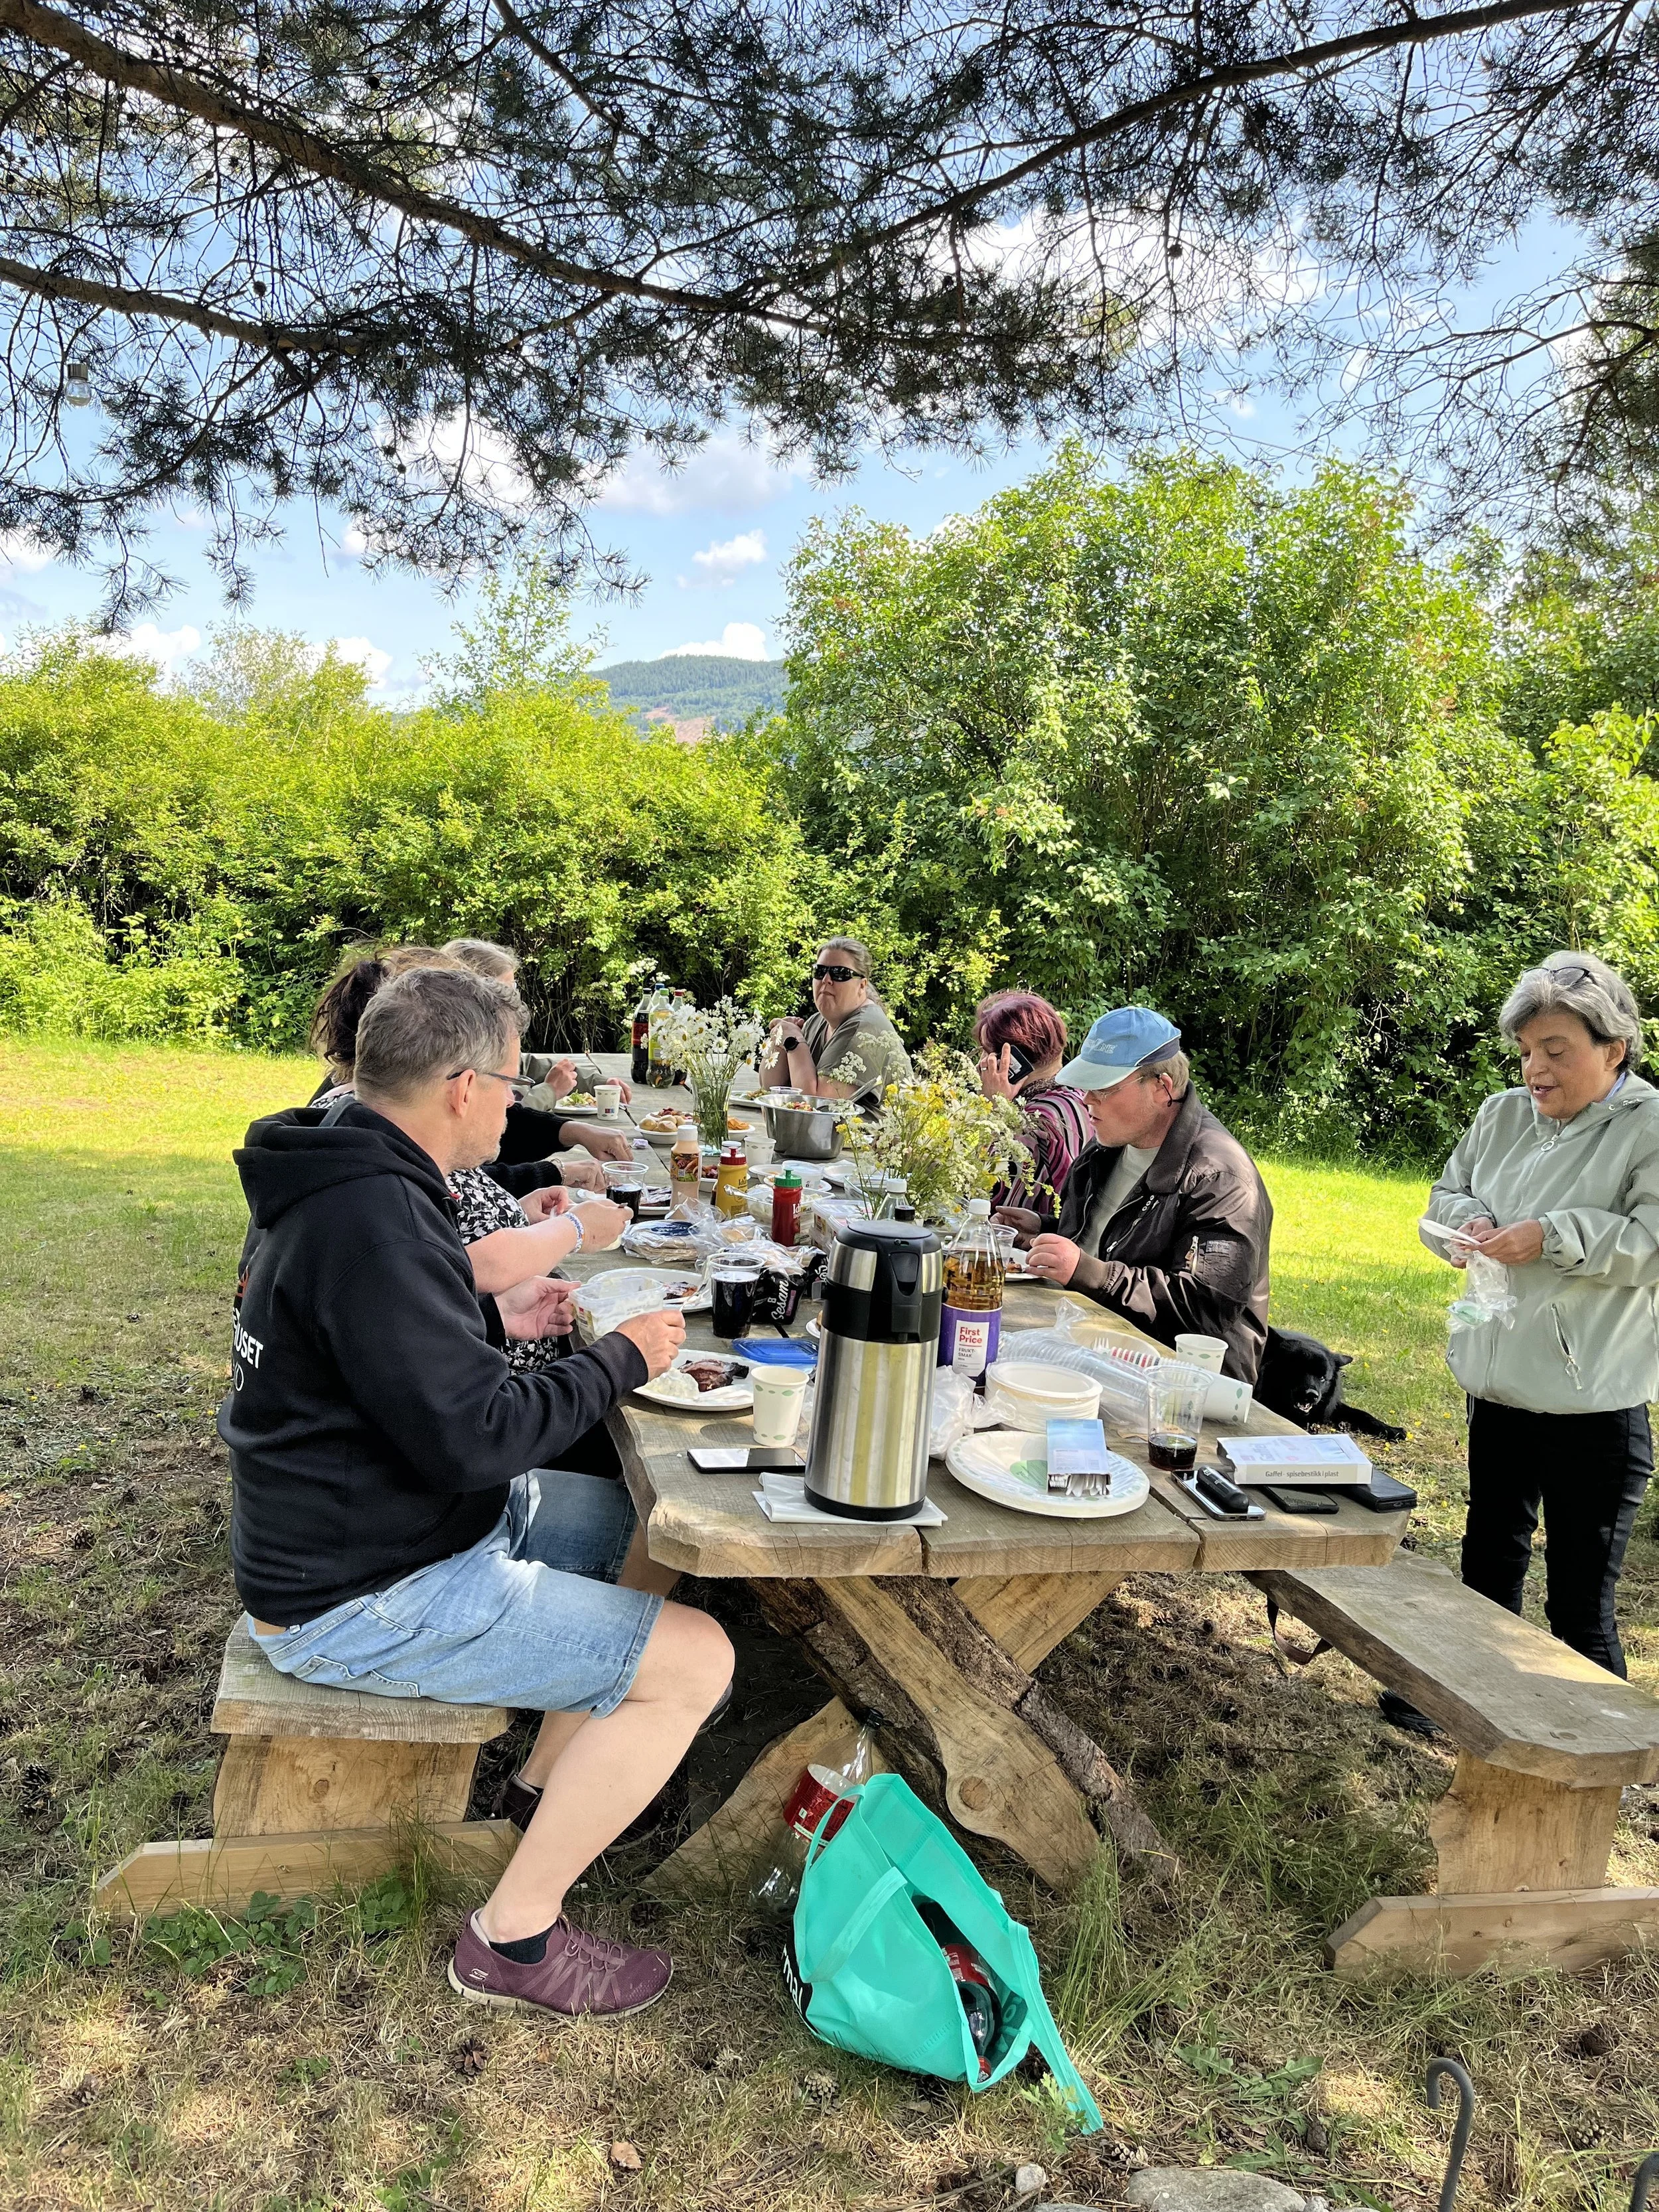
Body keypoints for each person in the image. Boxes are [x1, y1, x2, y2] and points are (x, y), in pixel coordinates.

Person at [221, 964, 733, 2019]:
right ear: (461, 1086)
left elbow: (380, 1349)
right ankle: (514, 1937)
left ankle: (543, 1786)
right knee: (701, 1664)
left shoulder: (354, 1178)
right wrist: (623, 1358)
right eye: (507, 1081)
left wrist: (500, 1322)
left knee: (660, 1534)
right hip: (355, 1593)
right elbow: (479, 1439)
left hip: (378, 1529)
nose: (513, 1102)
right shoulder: (371, 1217)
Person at [1421, 950, 1658, 1680]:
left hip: (1592, 1404)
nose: (1535, 1069)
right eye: (1527, 1052)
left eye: (1555, 1050)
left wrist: (1552, 1236)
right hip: (1498, 1389)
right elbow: (1441, 1197)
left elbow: (1650, 1244)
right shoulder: (1499, 1116)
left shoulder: (1649, 1127)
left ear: (1612, 1050)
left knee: (1578, 1604)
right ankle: (1462, 1701)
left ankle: (1593, 1756)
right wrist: (1468, 1227)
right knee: (1487, 1563)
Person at [997, 1005, 1272, 1382]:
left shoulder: (1220, 1177)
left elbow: (1206, 1308)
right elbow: (1108, 1236)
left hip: (1182, 1381)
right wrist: (1045, 1228)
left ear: (1163, 1088)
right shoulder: (1107, 1146)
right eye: (1088, 1085)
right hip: (1095, 1340)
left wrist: (1092, 1274)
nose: (1088, 1099)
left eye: (1105, 1088)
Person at [307, 944, 626, 1183]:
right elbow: (471, 1195)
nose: (508, 1100)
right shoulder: (386, 1134)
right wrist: (563, 1204)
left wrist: (572, 1130)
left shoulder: (364, 1109)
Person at [760, 937, 913, 1109]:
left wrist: (795, 1042)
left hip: (868, 1136)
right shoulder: (817, 1022)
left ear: (862, 985)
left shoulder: (863, 1030)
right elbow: (770, 1089)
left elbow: (813, 1106)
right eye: (819, 971)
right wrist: (780, 1038)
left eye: (840, 973)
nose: (826, 979)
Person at [974, 991, 1092, 1214]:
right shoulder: (1081, 1098)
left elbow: (985, 1200)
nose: (982, 1062)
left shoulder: (1033, 1121)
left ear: (1011, 1061)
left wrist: (994, 1109)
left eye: (987, 1052)